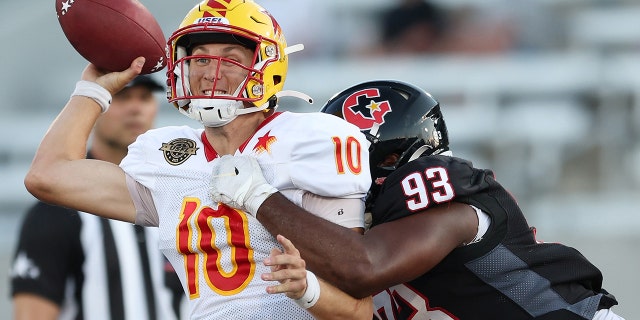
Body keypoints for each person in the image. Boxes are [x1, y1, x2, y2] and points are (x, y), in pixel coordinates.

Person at [23, 0, 373, 319]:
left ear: (268, 66)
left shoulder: (311, 140)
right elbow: (48, 176)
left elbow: (358, 309)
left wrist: (307, 290)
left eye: (231, 58)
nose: (211, 72)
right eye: (201, 57)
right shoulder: (166, 156)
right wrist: (93, 89)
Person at [209, 80, 625, 320]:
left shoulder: (437, 189)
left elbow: (365, 268)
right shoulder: (349, 233)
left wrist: (259, 197)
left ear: (390, 158)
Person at [11, 75, 186, 319]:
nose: (136, 108)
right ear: (95, 109)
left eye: (145, 98)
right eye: (122, 97)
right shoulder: (56, 210)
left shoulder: (178, 197)